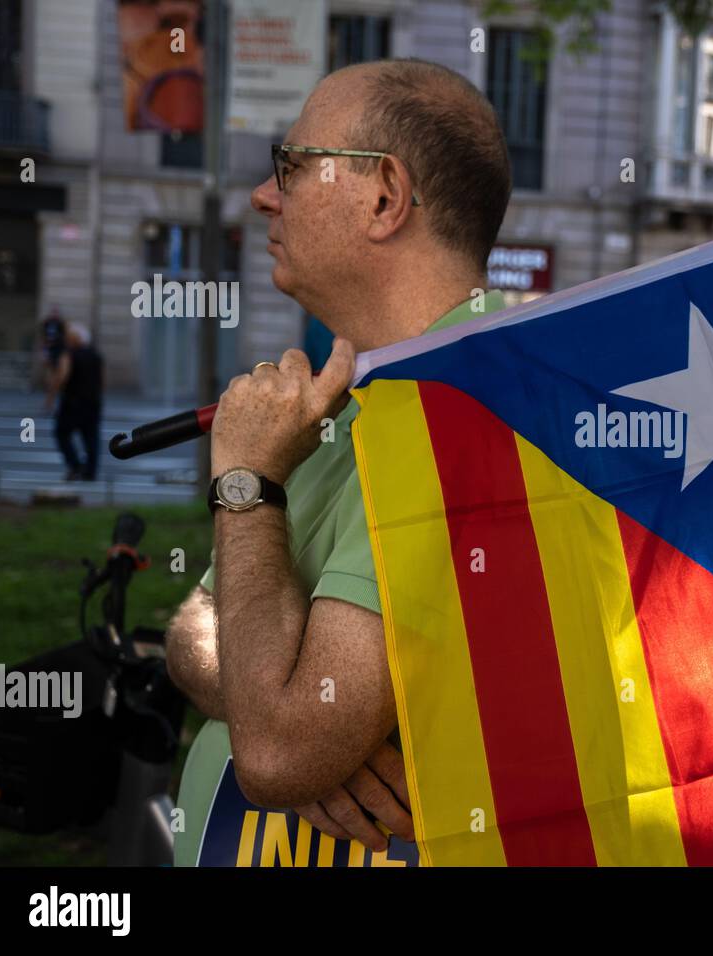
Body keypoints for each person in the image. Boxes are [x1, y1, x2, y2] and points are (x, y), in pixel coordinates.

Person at [163, 58, 513, 866]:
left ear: (385, 196)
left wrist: (245, 487)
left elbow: (283, 750)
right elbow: (189, 632)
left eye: (290, 166)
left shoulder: (466, 412)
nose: (263, 194)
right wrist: (274, 707)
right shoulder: (356, 396)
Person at [50, 322, 104, 482]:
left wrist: (52, 395)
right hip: (93, 402)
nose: (67, 339)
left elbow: (62, 376)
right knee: (91, 437)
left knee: (62, 433)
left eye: (69, 337)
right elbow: (102, 381)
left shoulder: (69, 355)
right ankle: (91, 471)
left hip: (72, 402)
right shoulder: (96, 355)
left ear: (76, 338)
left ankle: (75, 465)